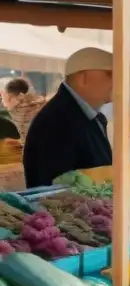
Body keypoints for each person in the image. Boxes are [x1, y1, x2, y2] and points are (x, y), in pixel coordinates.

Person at [23, 48, 115, 187]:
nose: (117, 82)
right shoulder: (56, 121)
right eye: (110, 74)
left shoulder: (86, 116)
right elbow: (56, 188)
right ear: (83, 78)